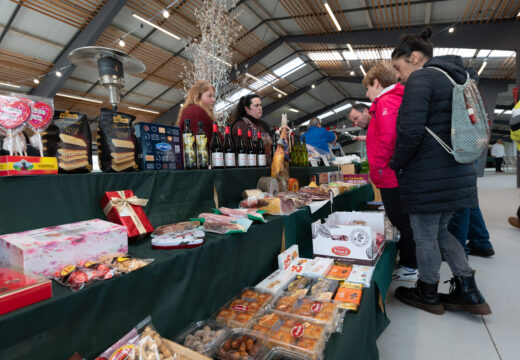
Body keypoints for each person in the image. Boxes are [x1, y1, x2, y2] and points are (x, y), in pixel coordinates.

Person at [389, 28, 491, 315]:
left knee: (424, 235)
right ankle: (469, 288)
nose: (398, 75)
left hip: (429, 174)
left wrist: (396, 163)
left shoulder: (422, 79)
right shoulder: (459, 76)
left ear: (415, 57)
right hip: (458, 171)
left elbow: (410, 131)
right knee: (441, 231)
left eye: (399, 67)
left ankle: (428, 291)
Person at [362, 62, 418, 280]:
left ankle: (410, 266)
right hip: (393, 172)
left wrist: (379, 167)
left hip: (391, 174)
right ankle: (409, 263)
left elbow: (388, 140)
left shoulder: (387, 101)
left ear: (376, 82)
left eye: (368, 88)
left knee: (400, 218)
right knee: (401, 218)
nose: (367, 94)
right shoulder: (393, 99)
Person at [231, 94, 273, 163]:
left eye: (260, 105)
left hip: (267, 167)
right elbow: (242, 152)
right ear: (247, 108)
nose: (260, 108)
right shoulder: (241, 125)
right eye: (256, 105)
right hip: (250, 169)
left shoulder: (264, 125)